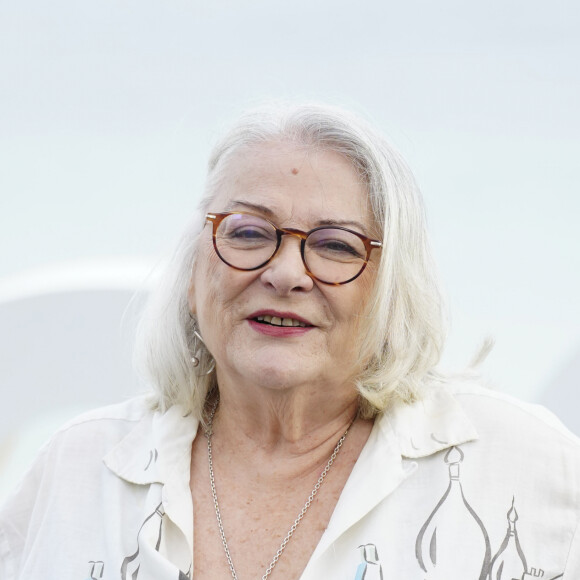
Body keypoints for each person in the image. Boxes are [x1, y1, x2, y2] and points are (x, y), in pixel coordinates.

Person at [1, 103, 579, 580]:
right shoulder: (78, 470)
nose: (285, 273)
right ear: (194, 275)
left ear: (392, 291)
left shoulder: (525, 465)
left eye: (335, 245)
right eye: (249, 233)